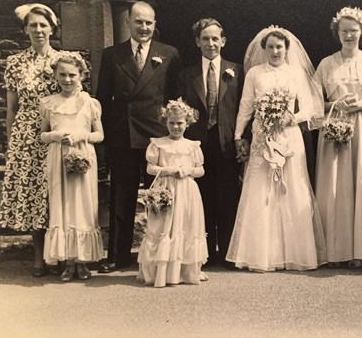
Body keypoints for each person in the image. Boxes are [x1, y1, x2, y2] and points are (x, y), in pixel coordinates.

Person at [226, 26, 327, 272]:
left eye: (279, 46)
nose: (275, 51)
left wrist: (291, 118)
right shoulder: (254, 74)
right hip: (262, 136)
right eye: (270, 46)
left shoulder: (295, 73)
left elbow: (310, 108)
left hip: (289, 135)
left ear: (286, 49)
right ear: (263, 49)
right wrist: (239, 135)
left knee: (291, 188)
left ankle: (295, 252)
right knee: (261, 190)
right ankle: (260, 253)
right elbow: (246, 105)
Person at [96, 1, 182, 273]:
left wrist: (172, 137)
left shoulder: (169, 53)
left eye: (149, 23)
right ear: (128, 23)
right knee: (121, 197)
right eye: (138, 22)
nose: (144, 28)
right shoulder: (112, 55)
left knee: (160, 197)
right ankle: (118, 256)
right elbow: (102, 98)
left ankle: (161, 254)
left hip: (156, 136)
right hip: (124, 135)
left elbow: (174, 98)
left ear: (155, 24)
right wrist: (106, 138)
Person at [315, 6, 362, 268]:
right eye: (344, 31)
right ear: (337, 33)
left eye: (354, 30)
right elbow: (312, 101)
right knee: (336, 185)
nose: (349, 35)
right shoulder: (326, 64)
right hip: (335, 126)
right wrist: (335, 105)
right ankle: (334, 251)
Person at [0, 3, 62, 277]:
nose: (38, 30)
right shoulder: (15, 63)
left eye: (43, 25)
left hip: (56, 131)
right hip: (26, 135)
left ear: (52, 29)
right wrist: (13, 141)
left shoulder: (63, 60)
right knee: (34, 194)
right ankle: (38, 256)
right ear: (25, 29)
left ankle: (59, 254)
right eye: (33, 25)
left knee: (56, 192)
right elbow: (11, 108)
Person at [177, 18, 248, 268]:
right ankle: (204, 252)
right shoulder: (187, 74)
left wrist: (244, 139)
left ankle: (229, 251)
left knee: (228, 197)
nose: (210, 43)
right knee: (202, 198)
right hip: (198, 144)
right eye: (205, 39)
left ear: (223, 41)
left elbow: (245, 108)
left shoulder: (237, 71)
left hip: (227, 142)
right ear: (197, 42)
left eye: (215, 38)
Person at [40, 54, 104, 281]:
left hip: (83, 157)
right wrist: (57, 135)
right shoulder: (48, 103)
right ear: (55, 76)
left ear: (82, 76)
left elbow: (99, 135)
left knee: (82, 206)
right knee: (63, 206)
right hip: (58, 158)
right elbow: (43, 135)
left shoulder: (89, 103)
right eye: (62, 75)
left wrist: (80, 135)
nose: (67, 79)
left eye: (72, 75)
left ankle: (82, 262)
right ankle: (67, 262)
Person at [137, 98, 208, 287]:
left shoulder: (193, 146)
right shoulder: (158, 144)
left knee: (186, 225)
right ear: (165, 122)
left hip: (187, 191)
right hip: (165, 190)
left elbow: (200, 170)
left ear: (188, 122)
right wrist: (168, 170)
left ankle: (187, 270)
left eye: (180, 123)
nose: (176, 127)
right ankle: (161, 270)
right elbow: (151, 168)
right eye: (172, 123)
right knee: (162, 227)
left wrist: (187, 171)